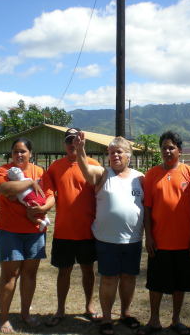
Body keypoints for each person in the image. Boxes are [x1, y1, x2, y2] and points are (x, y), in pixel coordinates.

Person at [74, 132, 144, 335]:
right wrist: (81, 151)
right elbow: (86, 169)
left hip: (133, 239)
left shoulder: (140, 178)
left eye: (119, 152)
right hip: (107, 240)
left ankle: (125, 314)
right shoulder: (103, 174)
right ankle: (106, 318)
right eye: (111, 152)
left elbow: (147, 208)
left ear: (128, 155)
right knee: (109, 279)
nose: (114, 156)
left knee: (129, 278)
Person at [139, 131, 190, 335]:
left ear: (179, 150)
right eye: (164, 148)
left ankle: (176, 320)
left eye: (171, 147)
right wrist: (148, 236)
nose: (167, 151)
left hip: (185, 242)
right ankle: (154, 321)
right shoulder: (151, 175)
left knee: (180, 284)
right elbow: (148, 209)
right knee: (156, 284)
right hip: (159, 242)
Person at [0, 137, 54, 333]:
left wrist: (42, 208)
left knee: (29, 274)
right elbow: (4, 188)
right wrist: (29, 182)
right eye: (15, 151)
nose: (19, 155)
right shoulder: (4, 170)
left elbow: (50, 195)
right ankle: (4, 319)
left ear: (30, 153)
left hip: (35, 231)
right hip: (9, 231)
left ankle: (25, 314)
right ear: (11, 154)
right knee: (10, 275)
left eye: (23, 151)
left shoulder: (40, 171)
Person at [42, 128, 100, 326]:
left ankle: (89, 306)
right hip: (64, 231)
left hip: (88, 230)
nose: (72, 144)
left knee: (88, 270)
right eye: (69, 140)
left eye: (75, 140)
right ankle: (60, 310)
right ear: (64, 144)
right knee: (63, 272)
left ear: (82, 142)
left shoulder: (93, 165)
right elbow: (47, 194)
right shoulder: (55, 167)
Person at [7, 166, 50, 231]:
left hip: (32, 203)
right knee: (42, 207)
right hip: (41, 198)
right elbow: (36, 183)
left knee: (30, 215)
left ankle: (41, 222)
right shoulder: (29, 179)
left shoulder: (16, 187)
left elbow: (12, 198)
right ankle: (46, 218)